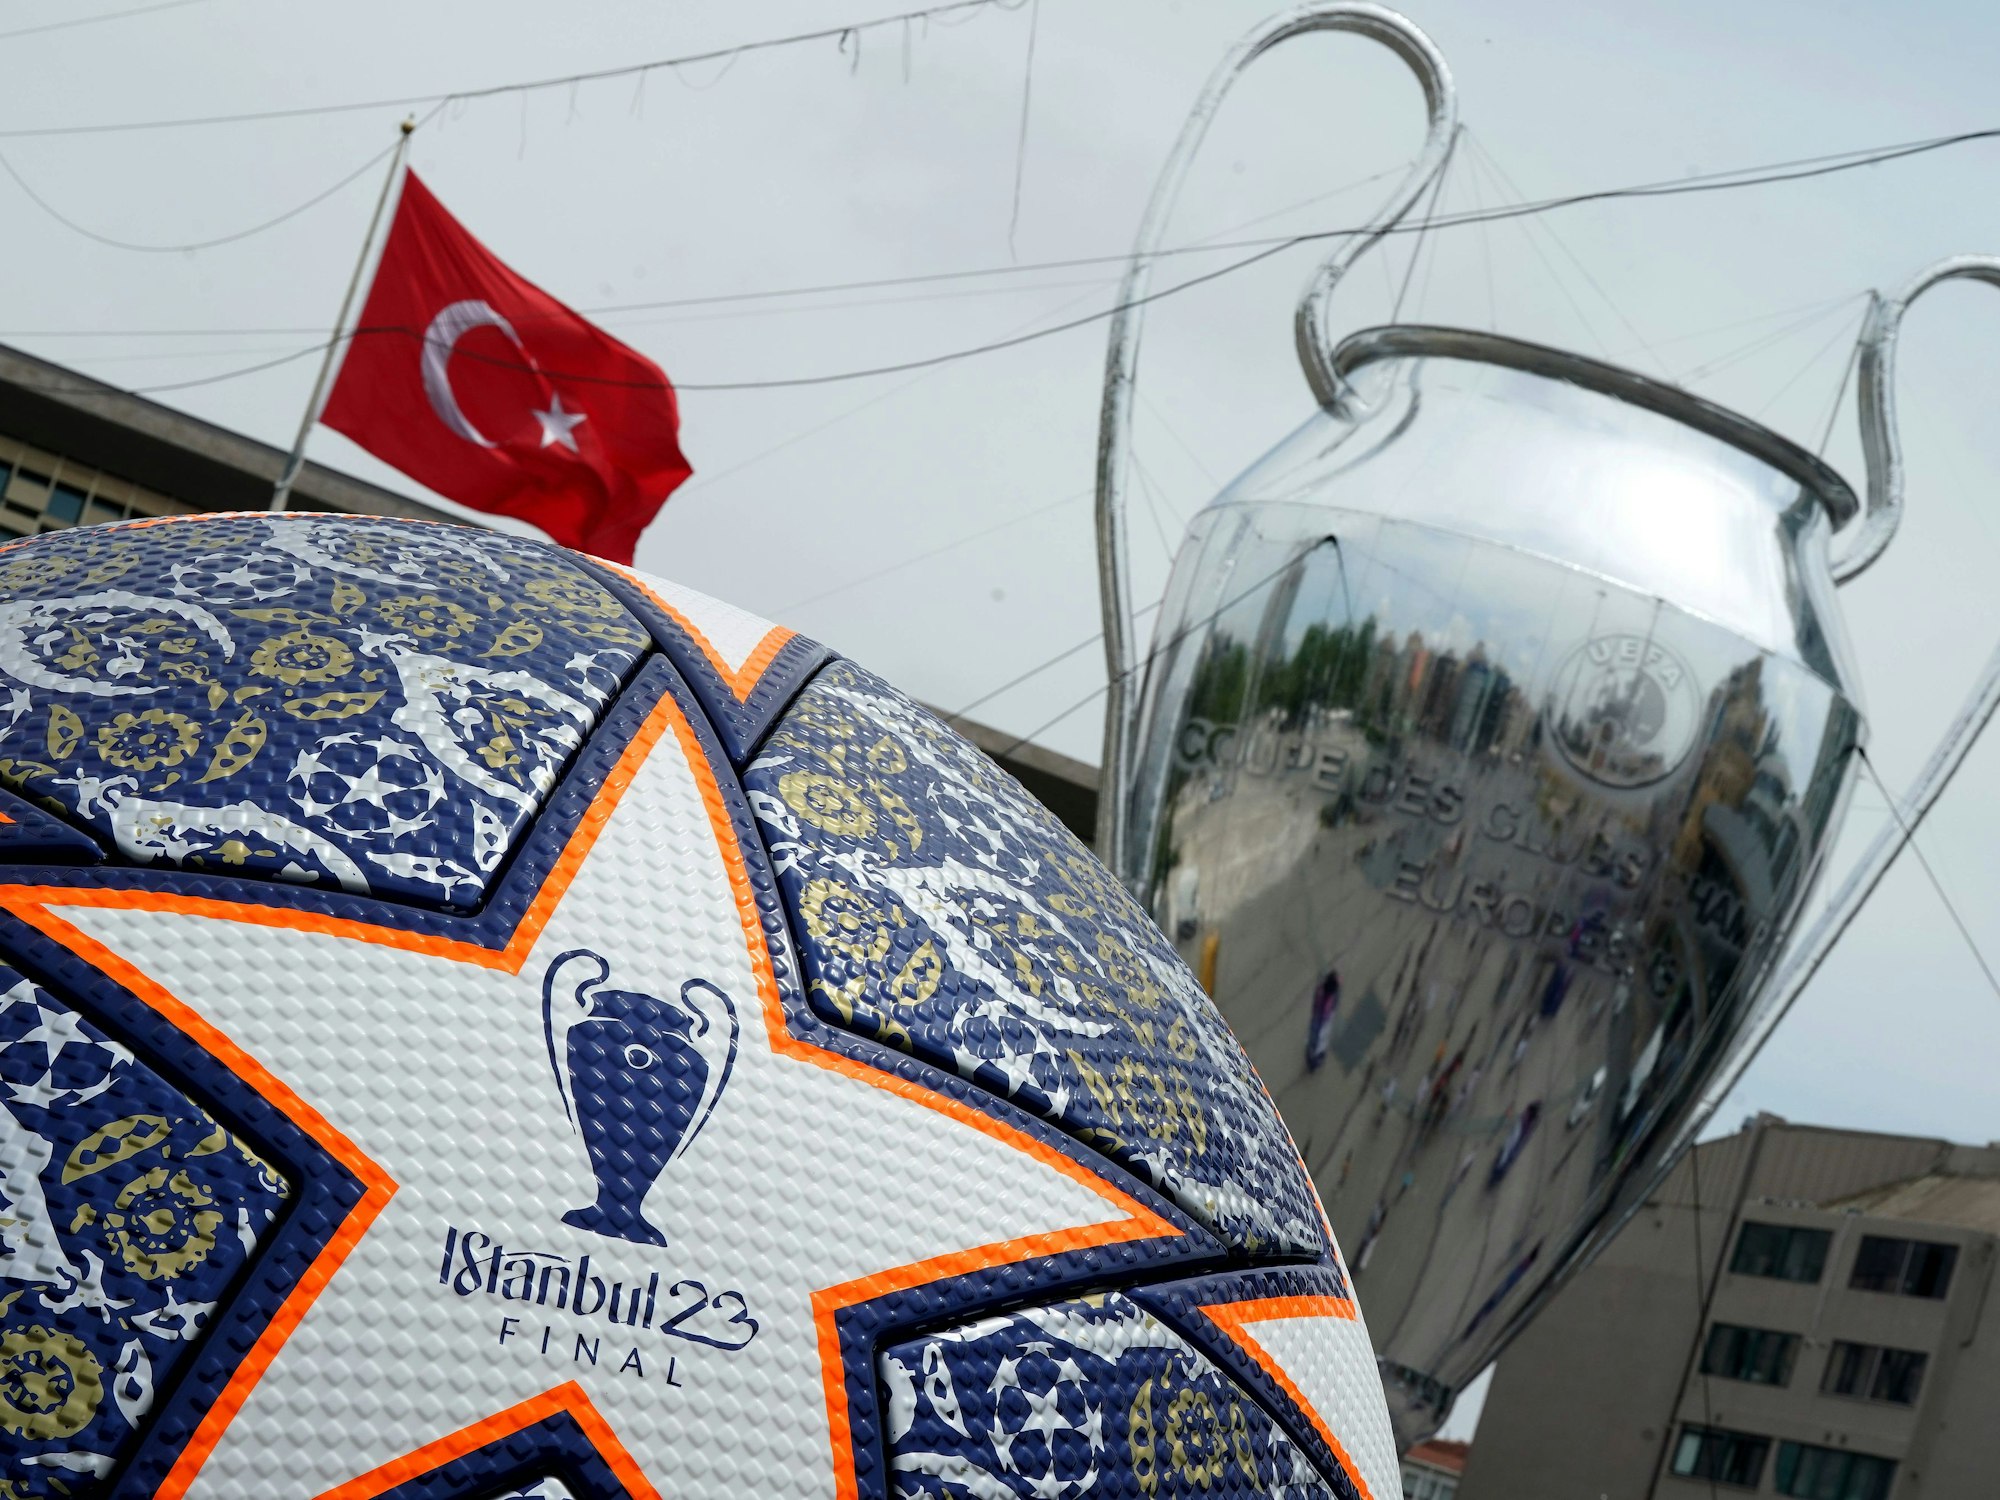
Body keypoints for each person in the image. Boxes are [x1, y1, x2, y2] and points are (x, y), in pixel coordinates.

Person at [1305, 966, 1341, 1071]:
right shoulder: (1327, 999)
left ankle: (1313, 1056)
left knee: (1315, 1038)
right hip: (1321, 1020)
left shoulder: (1320, 990)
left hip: (1318, 1018)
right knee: (1318, 1040)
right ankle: (1313, 1061)